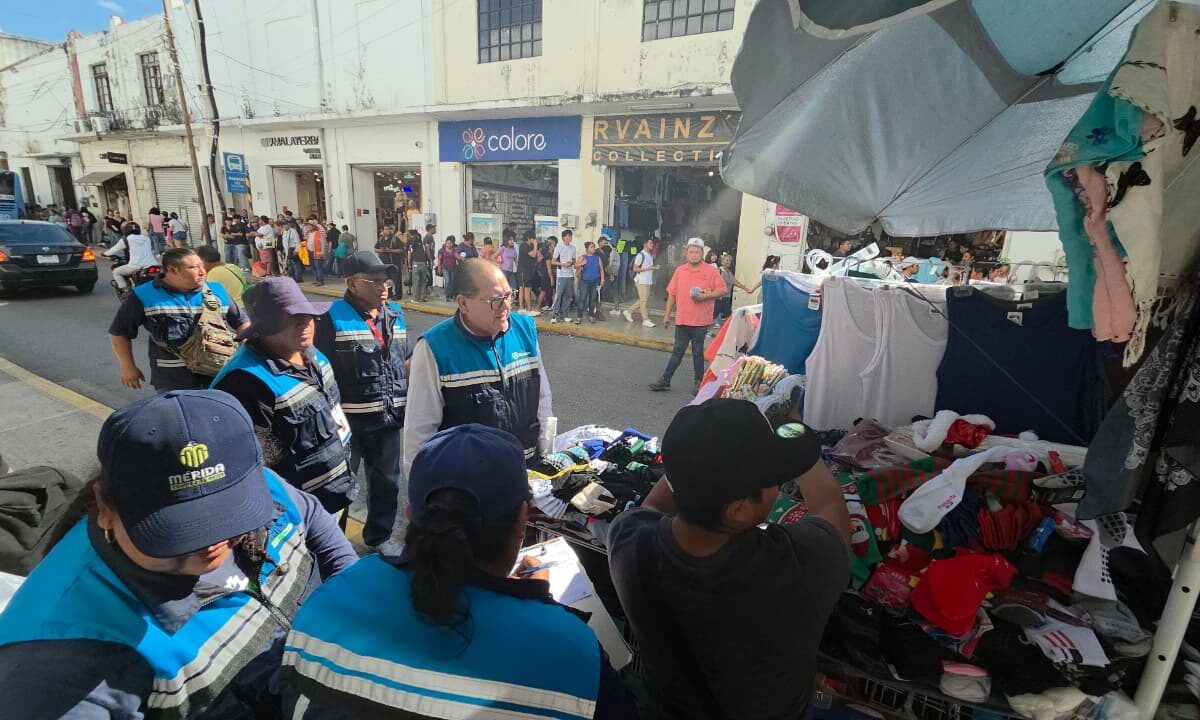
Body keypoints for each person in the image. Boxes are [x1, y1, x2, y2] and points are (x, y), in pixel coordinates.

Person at [0, 389, 358, 718]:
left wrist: (358, 606)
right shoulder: (60, 669)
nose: (213, 543)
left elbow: (309, 515)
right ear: (105, 508)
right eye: (178, 529)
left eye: (228, 513)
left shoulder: (236, 479)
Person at [281, 424, 637, 719]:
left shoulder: (334, 596)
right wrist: (538, 609)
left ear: (410, 515)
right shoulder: (570, 648)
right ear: (522, 519)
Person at [607, 398, 850, 719]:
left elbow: (654, 505)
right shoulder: (797, 565)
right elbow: (830, 508)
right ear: (739, 510)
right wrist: (798, 447)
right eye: (775, 477)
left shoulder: (629, 542)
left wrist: (698, 454)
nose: (779, 484)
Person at [212, 277, 355, 516]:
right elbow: (250, 466)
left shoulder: (311, 352)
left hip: (336, 492)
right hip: (298, 511)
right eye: (290, 319)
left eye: (307, 315)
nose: (304, 324)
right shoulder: (244, 381)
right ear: (263, 329)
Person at [404, 259, 551, 475]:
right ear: (463, 303)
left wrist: (546, 455)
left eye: (509, 295)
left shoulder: (524, 330)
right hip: (470, 483)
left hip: (526, 471)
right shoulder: (434, 348)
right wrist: (423, 488)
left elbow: (542, 399)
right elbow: (420, 430)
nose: (505, 306)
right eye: (495, 300)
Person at [314, 251, 412, 556]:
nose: (383, 287)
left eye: (386, 281)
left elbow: (405, 359)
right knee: (339, 486)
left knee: (387, 482)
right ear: (352, 283)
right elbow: (317, 371)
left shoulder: (394, 314)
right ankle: (331, 545)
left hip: (387, 418)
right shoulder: (330, 318)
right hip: (346, 425)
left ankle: (379, 537)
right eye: (374, 281)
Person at [109, 247, 249, 391]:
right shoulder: (144, 295)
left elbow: (243, 323)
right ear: (172, 270)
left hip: (219, 376)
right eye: (194, 267)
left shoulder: (217, 291)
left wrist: (246, 355)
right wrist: (127, 366)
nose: (202, 272)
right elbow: (119, 333)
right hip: (173, 380)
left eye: (202, 266)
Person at [649, 238, 726, 393]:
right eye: (691, 252)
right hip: (682, 319)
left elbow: (722, 290)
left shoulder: (711, 271)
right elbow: (672, 294)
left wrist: (705, 296)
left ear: (702, 253)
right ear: (686, 253)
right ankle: (665, 380)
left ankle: (699, 383)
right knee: (677, 352)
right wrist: (666, 315)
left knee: (698, 353)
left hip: (700, 321)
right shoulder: (680, 271)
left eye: (697, 252)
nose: (694, 255)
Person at [103, 222, 157, 291]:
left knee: (116, 272)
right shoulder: (146, 238)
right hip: (152, 264)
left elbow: (114, 249)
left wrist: (105, 254)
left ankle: (125, 290)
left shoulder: (126, 239)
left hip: (136, 266)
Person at [624, 236, 659, 327]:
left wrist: (654, 267)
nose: (652, 245)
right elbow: (635, 269)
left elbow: (648, 267)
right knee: (643, 301)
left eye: (652, 243)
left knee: (643, 299)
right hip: (641, 280)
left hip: (647, 280)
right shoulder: (640, 255)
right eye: (650, 243)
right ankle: (645, 319)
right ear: (645, 244)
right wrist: (650, 268)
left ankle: (629, 311)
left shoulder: (649, 255)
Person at [714, 252, 751, 329]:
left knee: (727, 313)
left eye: (729, 261)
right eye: (727, 260)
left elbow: (735, 282)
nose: (728, 262)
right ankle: (716, 326)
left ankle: (724, 327)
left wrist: (745, 288)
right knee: (717, 312)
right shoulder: (718, 270)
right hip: (718, 296)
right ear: (722, 261)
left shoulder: (728, 272)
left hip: (726, 296)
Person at [549, 229, 578, 324]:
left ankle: (564, 315)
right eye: (568, 236)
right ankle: (555, 315)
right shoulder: (559, 247)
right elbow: (553, 261)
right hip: (561, 274)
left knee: (568, 296)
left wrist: (571, 263)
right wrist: (563, 264)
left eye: (571, 236)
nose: (570, 238)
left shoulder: (573, 248)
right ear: (564, 237)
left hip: (570, 274)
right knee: (559, 295)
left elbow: (574, 260)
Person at [577, 240, 605, 323]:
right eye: (591, 247)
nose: (593, 248)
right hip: (584, 281)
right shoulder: (583, 257)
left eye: (594, 247)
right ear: (587, 249)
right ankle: (579, 317)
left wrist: (602, 279)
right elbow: (575, 266)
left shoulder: (597, 257)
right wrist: (582, 263)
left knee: (593, 299)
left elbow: (601, 269)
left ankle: (591, 315)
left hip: (595, 281)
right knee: (582, 299)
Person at [516, 230, 540, 315]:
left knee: (523, 289)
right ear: (528, 238)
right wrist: (535, 245)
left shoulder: (528, 246)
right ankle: (528, 309)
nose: (534, 240)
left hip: (527, 271)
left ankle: (522, 308)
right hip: (524, 271)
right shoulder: (524, 245)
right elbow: (533, 255)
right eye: (533, 238)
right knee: (526, 289)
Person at [407, 227, 432, 302]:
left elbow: (409, 255)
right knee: (423, 281)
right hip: (423, 263)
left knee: (416, 281)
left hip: (416, 263)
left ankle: (416, 299)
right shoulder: (422, 245)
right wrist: (430, 261)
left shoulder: (412, 245)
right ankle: (422, 297)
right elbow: (427, 253)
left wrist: (409, 265)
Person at [305, 218, 327, 286]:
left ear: (314, 227)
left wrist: (322, 252)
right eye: (308, 225)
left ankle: (320, 281)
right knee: (313, 268)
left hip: (317, 253)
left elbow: (323, 243)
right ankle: (317, 279)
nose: (308, 227)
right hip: (310, 252)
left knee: (318, 267)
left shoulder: (318, 233)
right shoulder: (308, 234)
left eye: (310, 225)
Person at [437, 236, 458, 301]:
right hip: (445, 268)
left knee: (452, 282)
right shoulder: (442, 250)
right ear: (445, 243)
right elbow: (439, 260)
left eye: (451, 243)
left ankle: (451, 295)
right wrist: (439, 268)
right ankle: (446, 295)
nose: (449, 245)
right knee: (447, 281)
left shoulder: (455, 250)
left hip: (453, 268)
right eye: (448, 243)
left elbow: (457, 257)